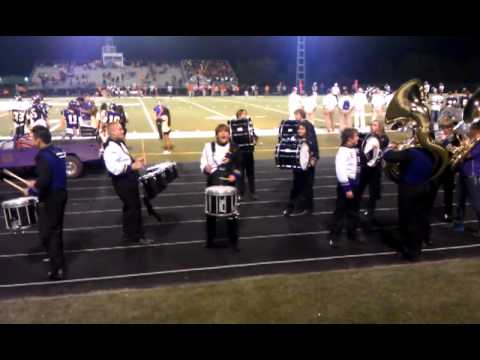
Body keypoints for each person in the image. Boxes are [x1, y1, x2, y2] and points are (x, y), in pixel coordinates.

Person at [22, 126, 68, 280]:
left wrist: (31, 191)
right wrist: (35, 182)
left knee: (50, 233)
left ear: (39, 140)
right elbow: (53, 173)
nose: (31, 140)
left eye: (32, 138)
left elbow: (45, 181)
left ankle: (57, 269)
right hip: (62, 193)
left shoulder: (41, 156)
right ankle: (58, 260)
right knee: (57, 230)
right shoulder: (58, 150)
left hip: (51, 197)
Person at [103, 122, 153, 245]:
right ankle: (137, 236)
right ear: (112, 132)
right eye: (120, 129)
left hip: (129, 179)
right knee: (134, 208)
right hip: (123, 182)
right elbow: (114, 168)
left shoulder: (119, 142)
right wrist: (132, 167)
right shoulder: (110, 148)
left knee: (129, 207)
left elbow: (125, 158)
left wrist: (135, 160)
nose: (123, 131)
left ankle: (128, 233)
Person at [383, 141, 435, 261]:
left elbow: (388, 156)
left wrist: (389, 149)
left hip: (410, 189)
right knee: (420, 219)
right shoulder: (428, 153)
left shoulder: (410, 153)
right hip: (425, 188)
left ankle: (410, 252)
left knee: (407, 221)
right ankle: (418, 247)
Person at [200, 124, 242, 251]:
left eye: (226, 132)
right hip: (213, 181)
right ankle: (210, 241)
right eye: (221, 132)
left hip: (229, 184)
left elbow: (240, 169)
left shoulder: (235, 148)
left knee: (232, 214)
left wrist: (235, 175)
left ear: (229, 134)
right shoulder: (208, 146)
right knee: (210, 214)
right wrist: (205, 168)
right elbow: (202, 163)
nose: (223, 134)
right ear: (216, 134)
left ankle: (233, 242)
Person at [283, 109, 319, 216]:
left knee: (307, 187)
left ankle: (308, 208)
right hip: (297, 167)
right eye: (299, 129)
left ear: (306, 130)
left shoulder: (310, 140)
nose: (299, 131)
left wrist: (313, 160)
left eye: (302, 129)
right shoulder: (295, 138)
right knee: (296, 187)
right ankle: (292, 205)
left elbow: (315, 151)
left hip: (308, 168)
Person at [329, 128, 361, 247]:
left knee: (353, 211)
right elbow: (340, 171)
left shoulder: (353, 148)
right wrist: (347, 189)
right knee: (340, 211)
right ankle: (334, 237)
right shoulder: (342, 152)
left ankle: (352, 234)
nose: (358, 138)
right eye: (356, 136)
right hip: (347, 186)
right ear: (349, 139)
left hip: (356, 184)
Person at [429, 117, 461, 224]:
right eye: (443, 127)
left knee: (449, 193)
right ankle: (427, 211)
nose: (445, 129)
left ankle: (448, 214)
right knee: (432, 191)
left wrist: (445, 142)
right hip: (437, 168)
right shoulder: (437, 135)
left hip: (448, 169)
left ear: (451, 127)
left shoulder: (457, 138)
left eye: (447, 127)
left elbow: (456, 152)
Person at [357, 120, 390, 222]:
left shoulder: (384, 137)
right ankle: (355, 205)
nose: (372, 127)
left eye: (375, 125)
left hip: (375, 169)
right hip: (365, 167)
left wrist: (376, 142)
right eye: (372, 125)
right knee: (360, 187)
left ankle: (370, 210)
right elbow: (361, 140)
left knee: (373, 190)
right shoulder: (369, 135)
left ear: (380, 127)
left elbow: (382, 144)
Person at [452, 121, 480, 236]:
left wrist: (463, 147)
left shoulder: (478, 143)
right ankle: (459, 223)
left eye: (471, 129)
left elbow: (467, 156)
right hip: (463, 173)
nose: (469, 131)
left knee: (476, 202)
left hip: (472, 174)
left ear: (477, 131)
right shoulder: (471, 141)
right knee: (459, 200)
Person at [235, 109, 258, 201]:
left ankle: (252, 192)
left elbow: (254, 136)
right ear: (238, 116)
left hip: (249, 152)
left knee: (250, 174)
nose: (245, 116)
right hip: (239, 154)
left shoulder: (249, 125)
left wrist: (255, 140)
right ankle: (240, 193)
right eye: (243, 114)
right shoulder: (234, 125)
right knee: (240, 175)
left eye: (245, 114)